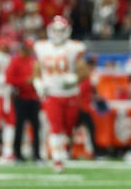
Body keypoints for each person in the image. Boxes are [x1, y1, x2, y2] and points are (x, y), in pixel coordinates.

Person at [33, 16, 89, 172]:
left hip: (70, 93)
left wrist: (74, 79)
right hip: (52, 93)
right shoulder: (41, 47)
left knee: (68, 127)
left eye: (61, 30)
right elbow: (37, 68)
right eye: (55, 30)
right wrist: (38, 82)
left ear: (67, 31)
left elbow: (84, 69)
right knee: (55, 127)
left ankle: (62, 152)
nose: (58, 33)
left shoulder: (74, 47)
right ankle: (58, 159)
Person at [5, 38, 40, 162]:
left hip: (34, 98)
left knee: (36, 127)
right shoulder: (15, 61)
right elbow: (9, 79)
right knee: (19, 126)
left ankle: (37, 154)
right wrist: (24, 81)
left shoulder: (34, 61)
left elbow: (40, 77)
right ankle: (17, 153)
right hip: (20, 98)